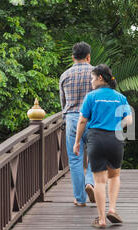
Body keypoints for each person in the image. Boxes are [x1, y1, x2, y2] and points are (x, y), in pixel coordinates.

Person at [73, 64, 133, 228]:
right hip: (115, 139)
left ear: (100, 78)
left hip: (96, 139)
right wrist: (117, 126)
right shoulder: (120, 97)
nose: (91, 82)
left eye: (92, 78)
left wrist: (77, 142)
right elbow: (129, 120)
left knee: (99, 181)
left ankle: (100, 219)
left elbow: (82, 121)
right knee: (114, 176)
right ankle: (112, 209)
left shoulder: (91, 97)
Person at [59, 41, 95, 207]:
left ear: (73, 57)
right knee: (95, 154)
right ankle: (90, 182)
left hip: (73, 119)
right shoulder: (96, 73)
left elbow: (63, 103)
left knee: (75, 159)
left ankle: (80, 198)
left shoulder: (65, 75)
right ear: (88, 57)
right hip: (94, 119)